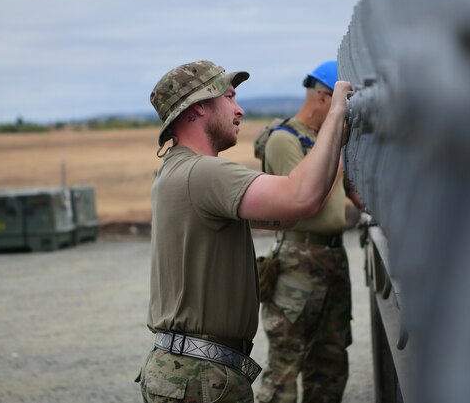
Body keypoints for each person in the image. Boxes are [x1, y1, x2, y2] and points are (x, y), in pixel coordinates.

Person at [136, 59, 351, 403]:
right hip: (200, 376)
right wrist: (338, 112)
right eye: (230, 98)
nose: (240, 110)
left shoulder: (176, 171)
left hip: (190, 371)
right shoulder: (203, 174)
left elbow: (289, 215)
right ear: (199, 108)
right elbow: (300, 198)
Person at [256, 60, 363, 403]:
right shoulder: (284, 140)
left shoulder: (327, 141)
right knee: (286, 365)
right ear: (322, 97)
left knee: (330, 362)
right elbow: (304, 201)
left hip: (333, 256)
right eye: (341, 102)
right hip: (298, 262)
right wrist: (336, 152)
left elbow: (354, 192)